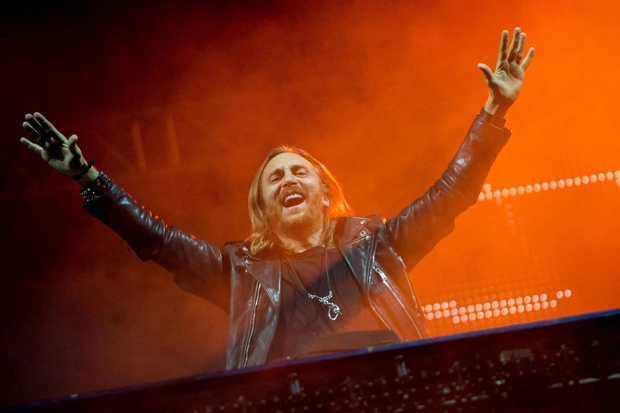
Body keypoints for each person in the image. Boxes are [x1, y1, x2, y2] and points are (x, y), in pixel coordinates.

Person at [20, 28, 534, 370]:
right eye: (274, 178)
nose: (287, 179)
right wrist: (89, 176)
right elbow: (158, 241)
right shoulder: (239, 272)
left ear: (325, 190)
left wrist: (493, 112)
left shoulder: (378, 245)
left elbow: (450, 196)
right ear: (263, 205)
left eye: (298, 171)